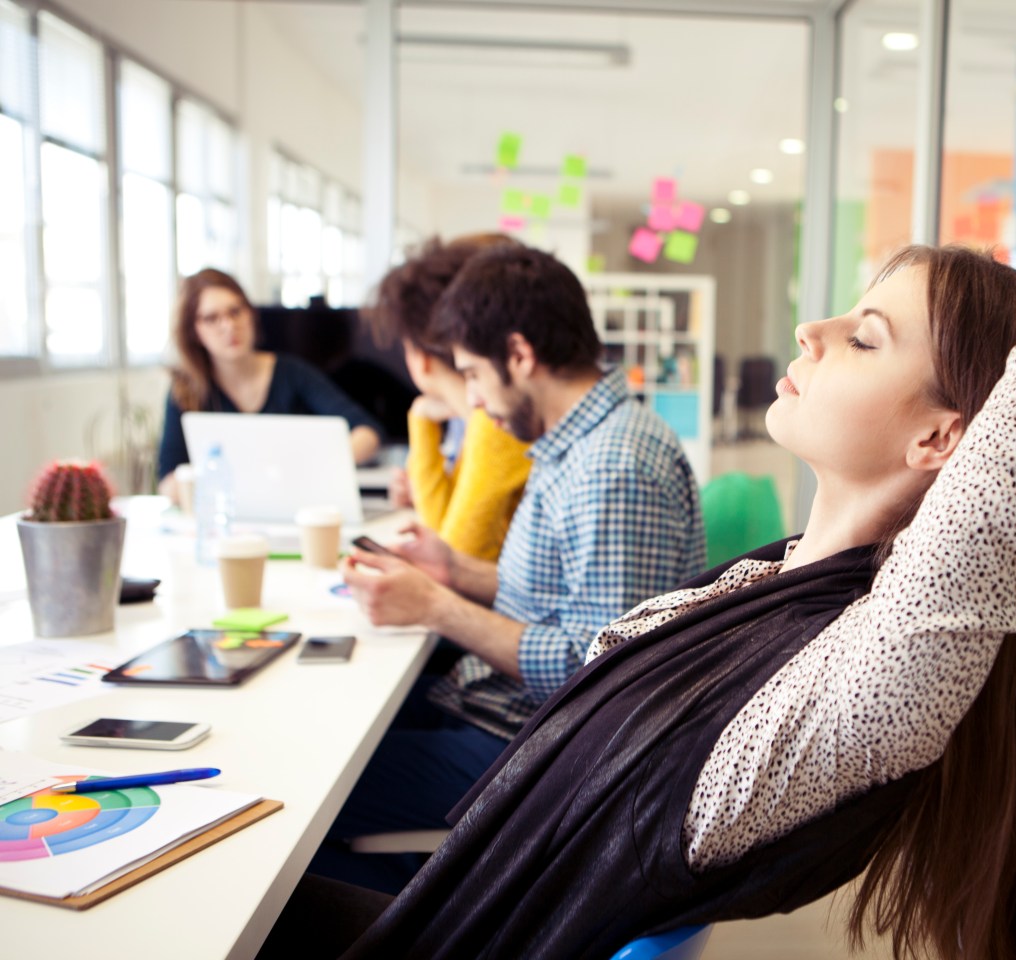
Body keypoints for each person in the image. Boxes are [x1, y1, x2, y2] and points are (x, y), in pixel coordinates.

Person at [263, 70, 1016, 960]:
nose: (814, 331)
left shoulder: (870, 682)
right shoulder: (778, 585)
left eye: (867, 337)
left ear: (945, 441)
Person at [310, 244, 707, 894]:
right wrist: (453, 569)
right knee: (330, 729)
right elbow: (562, 601)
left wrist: (436, 606)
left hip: (546, 750)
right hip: (511, 715)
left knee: (311, 786)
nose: (470, 398)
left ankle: (430, 912)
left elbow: (598, 669)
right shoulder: (572, 442)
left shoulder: (612, 467)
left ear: (519, 355)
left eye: (471, 373)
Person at [366, 234, 532, 561]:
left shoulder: (496, 425)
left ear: (420, 357)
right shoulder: (476, 420)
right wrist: (421, 418)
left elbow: (452, 558)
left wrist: (420, 424)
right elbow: (442, 532)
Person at [155, 269, 382, 499]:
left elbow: (368, 433)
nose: (229, 326)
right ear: (194, 331)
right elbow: (167, 482)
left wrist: (315, 467)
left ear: (251, 314)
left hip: (296, 503)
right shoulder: (185, 390)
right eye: (211, 318)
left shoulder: (293, 373)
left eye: (235, 312)